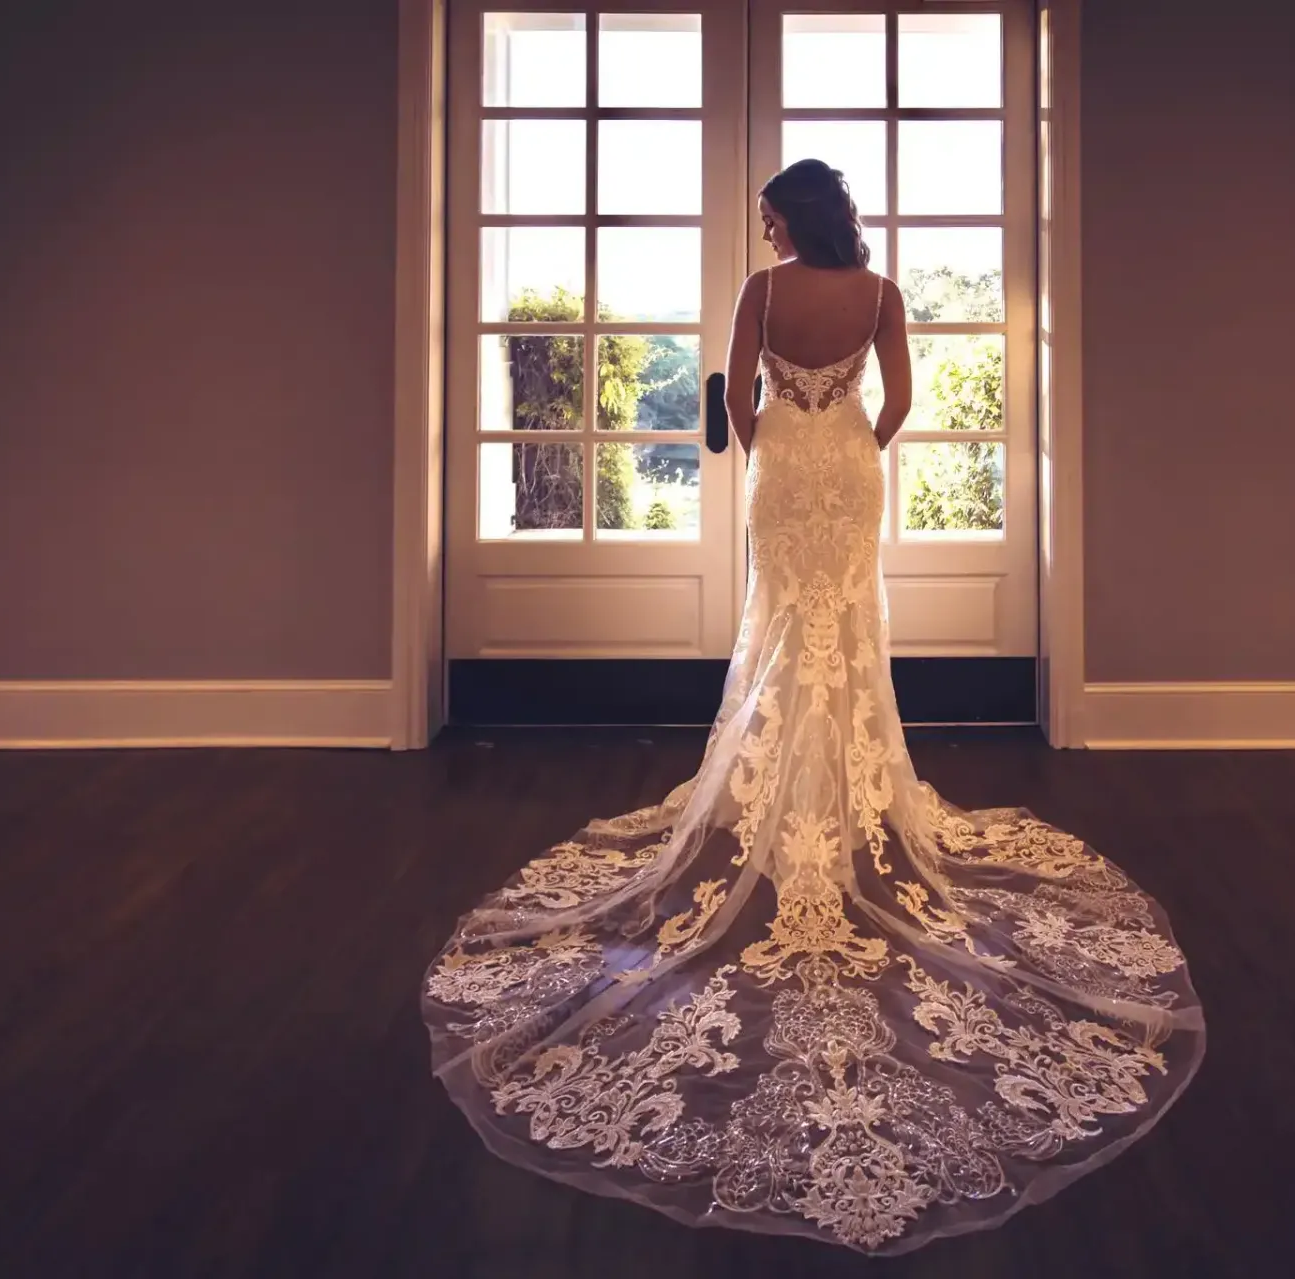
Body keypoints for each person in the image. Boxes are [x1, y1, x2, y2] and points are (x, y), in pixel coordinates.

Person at [422, 159, 1205, 1255]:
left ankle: (781, 798)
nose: (764, 228)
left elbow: (737, 401)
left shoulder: (762, 290)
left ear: (786, 218)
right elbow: (908, 402)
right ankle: (848, 795)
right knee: (848, 633)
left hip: (787, 471)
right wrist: (851, 444)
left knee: (786, 628)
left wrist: (776, 448)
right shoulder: (880, 291)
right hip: (850, 468)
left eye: (767, 216)